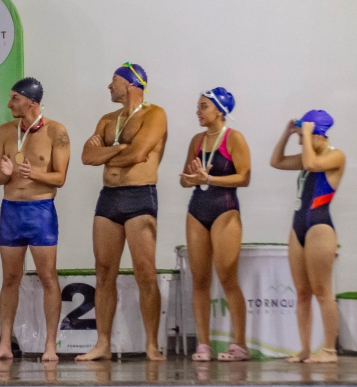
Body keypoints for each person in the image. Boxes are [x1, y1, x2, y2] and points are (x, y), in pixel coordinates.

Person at [78, 63, 167, 361]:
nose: (108, 86)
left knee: (145, 273)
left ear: (131, 83)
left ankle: (152, 344)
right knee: (103, 273)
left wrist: (109, 153)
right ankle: (103, 343)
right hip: (108, 199)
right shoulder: (107, 120)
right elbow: (86, 156)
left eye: (113, 80)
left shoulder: (155, 115)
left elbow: (139, 153)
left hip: (140, 195)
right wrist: (119, 150)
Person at [0, 77, 70, 363]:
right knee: (9, 278)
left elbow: (59, 178)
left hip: (40, 210)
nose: (9, 104)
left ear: (31, 102)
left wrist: (31, 173)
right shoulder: (4, 131)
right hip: (10, 210)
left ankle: (50, 345)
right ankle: (4, 344)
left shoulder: (56, 131)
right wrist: (7, 173)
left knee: (48, 277)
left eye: (15, 99)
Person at [179, 87, 251, 362]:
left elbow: (244, 177)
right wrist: (192, 179)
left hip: (225, 210)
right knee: (199, 279)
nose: (198, 111)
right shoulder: (197, 140)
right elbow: (185, 178)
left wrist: (209, 180)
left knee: (227, 278)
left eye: (203, 106)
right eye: (198, 106)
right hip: (197, 210)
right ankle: (204, 344)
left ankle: (240, 345)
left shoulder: (235, 139)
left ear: (220, 111)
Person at [270, 110, 346, 364]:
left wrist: (304, 132)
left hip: (320, 227)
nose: (301, 142)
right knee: (302, 292)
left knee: (322, 291)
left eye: (305, 136)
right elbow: (276, 161)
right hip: (298, 225)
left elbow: (313, 165)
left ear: (318, 134)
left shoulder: (336, 155)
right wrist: (287, 132)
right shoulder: (307, 156)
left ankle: (330, 350)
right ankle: (304, 349)